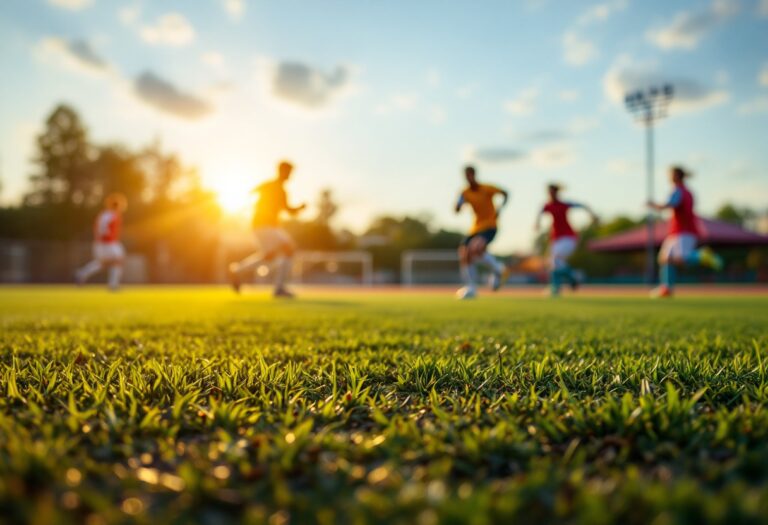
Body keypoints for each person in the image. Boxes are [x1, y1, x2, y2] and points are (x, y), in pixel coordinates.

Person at [228, 161, 306, 297]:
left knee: (269, 256)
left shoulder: (281, 190)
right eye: (288, 172)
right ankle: (279, 289)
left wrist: (299, 208)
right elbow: (250, 192)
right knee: (289, 249)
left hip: (264, 226)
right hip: (264, 225)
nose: (290, 175)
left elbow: (288, 210)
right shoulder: (271, 186)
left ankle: (238, 270)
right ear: (281, 171)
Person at [647, 165, 722, 298]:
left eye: (670, 174)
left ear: (676, 176)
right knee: (665, 259)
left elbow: (670, 204)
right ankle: (667, 289)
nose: (668, 177)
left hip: (685, 231)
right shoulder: (688, 192)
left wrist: (654, 205)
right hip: (675, 231)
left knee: (682, 258)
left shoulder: (679, 191)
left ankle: (703, 255)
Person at [454, 165, 509, 299]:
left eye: (470, 174)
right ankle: (472, 287)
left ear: (474, 175)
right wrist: (459, 204)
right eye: (466, 175)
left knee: (476, 248)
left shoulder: (486, 188)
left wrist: (500, 209)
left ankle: (498, 269)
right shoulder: (465, 192)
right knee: (464, 254)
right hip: (475, 227)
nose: (469, 177)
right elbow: (456, 209)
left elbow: (505, 193)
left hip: (490, 225)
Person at [535, 183, 598, 296]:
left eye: (552, 191)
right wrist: (537, 223)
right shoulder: (547, 205)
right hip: (555, 239)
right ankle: (571, 280)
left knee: (556, 261)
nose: (550, 194)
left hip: (568, 237)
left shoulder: (564, 204)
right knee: (554, 263)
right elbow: (540, 212)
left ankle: (559, 286)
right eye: (549, 192)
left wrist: (592, 214)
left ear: (556, 192)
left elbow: (582, 205)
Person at [75, 193, 127, 291]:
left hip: (106, 242)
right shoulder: (110, 215)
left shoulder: (108, 214)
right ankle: (113, 285)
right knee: (117, 261)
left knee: (103, 264)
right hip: (107, 243)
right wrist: (105, 238)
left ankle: (82, 274)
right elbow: (102, 228)